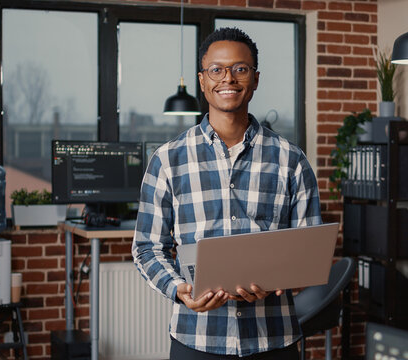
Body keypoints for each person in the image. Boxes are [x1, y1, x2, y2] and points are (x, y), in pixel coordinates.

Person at [132, 27, 322, 359]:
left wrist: (282, 280)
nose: (228, 79)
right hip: (196, 338)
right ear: (202, 80)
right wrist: (180, 290)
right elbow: (147, 248)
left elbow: (307, 251)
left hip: (273, 338)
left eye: (240, 69)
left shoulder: (292, 160)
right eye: (216, 70)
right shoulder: (167, 159)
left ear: (256, 78)